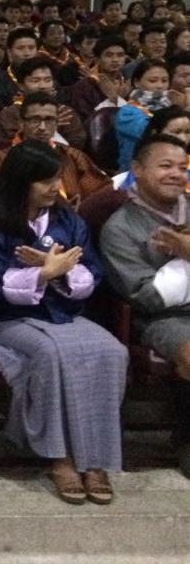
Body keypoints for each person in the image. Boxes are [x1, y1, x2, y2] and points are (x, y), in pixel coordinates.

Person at [0, 140, 125, 505]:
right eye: (44, 181)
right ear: (21, 181)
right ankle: (61, 457)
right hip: (13, 318)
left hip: (66, 312)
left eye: (56, 179)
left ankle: (96, 459)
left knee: (113, 351)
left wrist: (59, 272)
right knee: (50, 354)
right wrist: (43, 274)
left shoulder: (69, 221)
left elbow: (91, 273)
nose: (54, 188)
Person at [100, 133, 190, 477]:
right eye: (165, 166)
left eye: (182, 167)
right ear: (137, 169)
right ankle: (185, 438)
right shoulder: (120, 227)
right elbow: (147, 297)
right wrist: (184, 259)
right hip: (163, 320)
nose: (176, 174)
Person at [0, 93, 110, 206]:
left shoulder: (72, 155)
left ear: (57, 124)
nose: (42, 127)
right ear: (21, 123)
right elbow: (3, 202)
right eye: (35, 120)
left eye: (49, 120)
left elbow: (100, 192)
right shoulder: (0, 159)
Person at [0, 58, 86, 149]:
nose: (43, 86)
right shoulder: (9, 114)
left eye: (47, 80)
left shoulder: (64, 111)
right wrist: (51, 127)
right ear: (21, 85)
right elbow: (8, 146)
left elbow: (78, 143)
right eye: (36, 81)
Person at [113, 107, 190, 190]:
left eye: (188, 132)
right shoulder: (144, 164)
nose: (183, 138)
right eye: (176, 132)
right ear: (155, 133)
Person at [116, 58, 171, 170]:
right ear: (136, 82)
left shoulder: (172, 106)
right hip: (138, 173)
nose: (160, 86)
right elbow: (154, 133)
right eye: (152, 81)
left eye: (164, 81)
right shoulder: (127, 113)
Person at [67, 35, 128, 120]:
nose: (115, 60)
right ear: (97, 59)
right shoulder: (83, 87)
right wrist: (112, 99)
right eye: (109, 55)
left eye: (120, 55)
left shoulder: (129, 81)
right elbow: (85, 120)